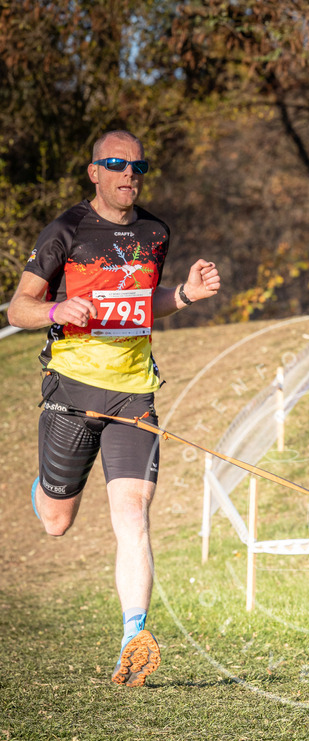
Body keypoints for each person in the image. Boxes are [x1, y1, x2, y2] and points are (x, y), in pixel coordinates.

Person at [7, 129, 221, 687]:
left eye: (138, 165)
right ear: (94, 171)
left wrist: (184, 296)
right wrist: (58, 307)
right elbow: (19, 306)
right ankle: (48, 488)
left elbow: (143, 306)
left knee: (133, 515)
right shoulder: (66, 231)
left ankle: (134, 636)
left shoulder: (155, 232)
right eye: (117, 164)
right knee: (57, 522)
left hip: (133, 394)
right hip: (71, 392)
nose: (129, 173)